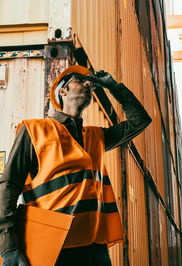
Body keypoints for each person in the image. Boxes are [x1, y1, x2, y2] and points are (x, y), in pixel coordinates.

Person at [0, 65, 152, 266]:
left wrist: (113, 86)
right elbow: (8, 187)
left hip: (95, 249)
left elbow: (140, 121)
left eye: (90, 81)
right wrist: (8, 247)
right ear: (62, 91)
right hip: (53, 247)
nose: (88, 83)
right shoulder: (34, 131)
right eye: (80, 80)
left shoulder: (97, 136)